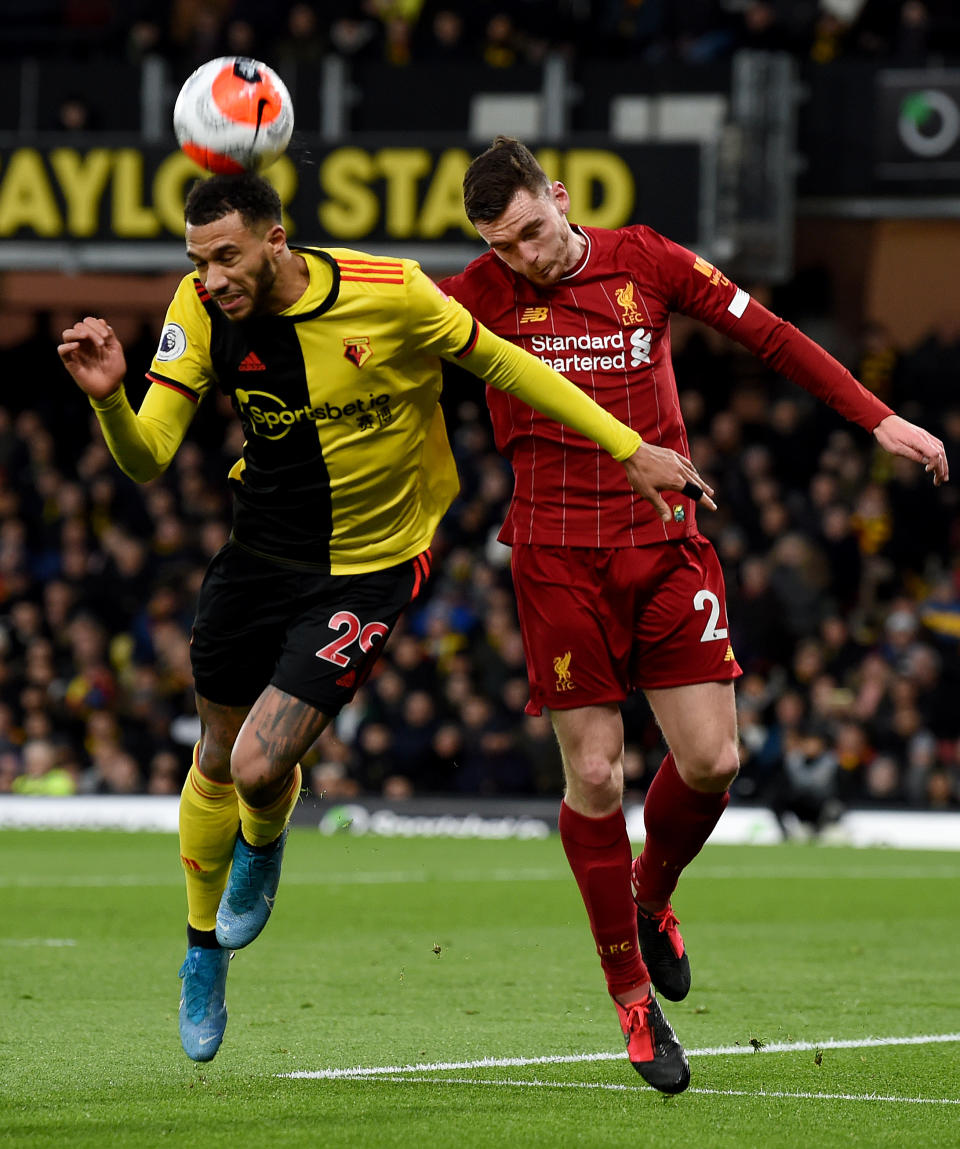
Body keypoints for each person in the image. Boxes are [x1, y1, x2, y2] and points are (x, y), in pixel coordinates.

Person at [57, 170, 710, 1076]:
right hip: (259, 559)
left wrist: (629, 444)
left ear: (277, 238)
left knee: (257, 759)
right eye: (198, 261)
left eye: (228, 256)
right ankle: (202, 947)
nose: (212, 277)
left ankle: (264, 836)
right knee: (214, 755)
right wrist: (107, 399)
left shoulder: (391, 292)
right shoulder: (200, 310)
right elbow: (148, 457)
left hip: (369, 567)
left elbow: (508, 363)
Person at [439, 136, 949, 1093]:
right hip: (554, 556)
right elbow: (371, 327)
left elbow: (769, 334)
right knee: (594, 770)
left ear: (560, 197)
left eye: (534, 234)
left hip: (664, 539)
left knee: (715, 760)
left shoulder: (646, 259)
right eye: (503, 246)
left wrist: (874, 416)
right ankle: (632, 999)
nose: (525, 259)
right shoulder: (477, 294)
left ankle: (650, 894)